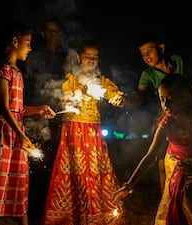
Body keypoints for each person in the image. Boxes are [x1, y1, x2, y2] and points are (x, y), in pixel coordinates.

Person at [123, 32, 192, 224]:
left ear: (161, 48)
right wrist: (126, 100)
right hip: (169, 121)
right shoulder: (147, 75)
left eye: (149, 50)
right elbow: (140, 98)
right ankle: (171, 197)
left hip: (189, 113)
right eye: (142, 53)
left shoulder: (177, 62)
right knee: (164, 163)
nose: (146, 55)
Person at [0, 21, 56, 225]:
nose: (30, 47)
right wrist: (21, 134)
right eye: (27, 43)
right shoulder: (3, 70)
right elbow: (2, 106)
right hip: (1, 134)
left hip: (15, 133)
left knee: (18, 185)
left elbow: (17, 108)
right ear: (15, 41)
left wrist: (39, 109)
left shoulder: (17, 73)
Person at [114, 75, 192, 225]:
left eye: (171, 98)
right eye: (162, 99)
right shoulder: (167, 124)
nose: (166, 104)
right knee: (183, 200)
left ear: (184, 97)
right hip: (177, 166)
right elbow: (150, 155)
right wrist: (129, 185)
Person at [41, 39, 128, 225]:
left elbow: (113, 93)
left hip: (93, 132)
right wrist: (73, 101)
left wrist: (117, 99)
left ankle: (96, 213)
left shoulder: (102, 81)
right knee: (74, 171)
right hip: (73, 132)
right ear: (79, 57)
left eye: (94, 58)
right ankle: (71, 215)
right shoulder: (71, 79)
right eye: (87, 56)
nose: (91, 60)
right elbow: (64, 99)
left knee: (95, 170)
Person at [22, 17, 76, 221]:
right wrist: (33, 111)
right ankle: (34, 215)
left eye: (57, 31)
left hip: (57, 122)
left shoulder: (66, 57)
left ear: (60, 34)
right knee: (37, 169)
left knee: (54, 168)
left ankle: (49, 215)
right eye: (49, 31)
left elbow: (71, 84)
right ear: (43, 35)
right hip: (36, 119)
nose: (53, 35)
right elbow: (29, 88)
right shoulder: (35, 57)